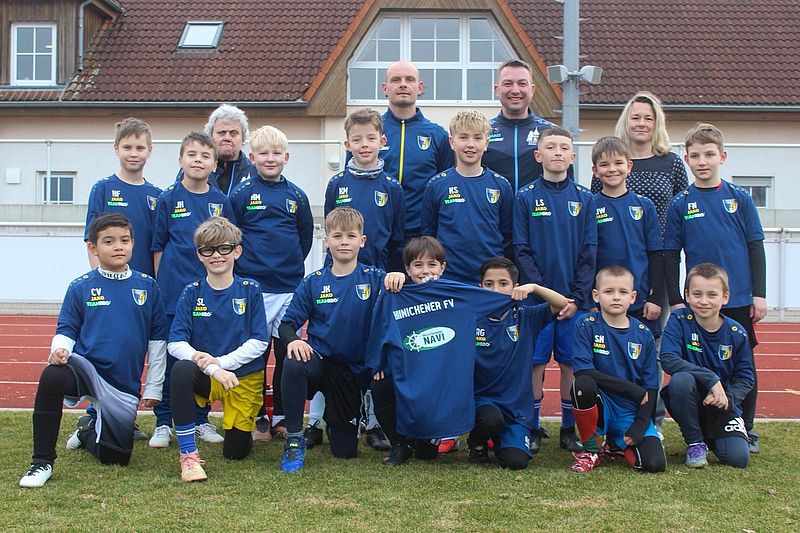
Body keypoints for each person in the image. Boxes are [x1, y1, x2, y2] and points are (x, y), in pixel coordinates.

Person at [19, 213, 168, 488]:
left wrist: (154, 388)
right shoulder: (81, 286)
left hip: (121, 384)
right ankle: (42, 462)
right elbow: (66, 328)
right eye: (109, 241)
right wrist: (60, 349)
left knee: (115, 457)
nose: (118, 246)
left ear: (133, 244)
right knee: (52, 375)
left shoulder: (148, 286)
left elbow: (158, 341)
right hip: (86, 370)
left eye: (124, 240)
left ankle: (86, 430)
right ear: (93, 247)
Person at [277, 207, 405, 473]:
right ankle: (294, 439)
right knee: (294, 361)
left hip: (355, 370)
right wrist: (293, 341)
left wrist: (400, 276)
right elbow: (287, 325)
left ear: (362, 241)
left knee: (345, 451)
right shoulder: (313, 283)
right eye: (337, 236)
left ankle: (353, 420)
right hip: (322, 363)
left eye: (350, 236)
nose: (344, 242)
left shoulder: (376, 278)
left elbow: (404, 301)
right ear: (327, 241)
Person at [664, 123, 766, 452]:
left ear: (722, 156)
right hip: (699, 300)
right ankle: (704, 423)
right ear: (687, 160)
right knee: (700, 361)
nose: (702, 161)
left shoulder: (739, 198)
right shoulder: (681, 203)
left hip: (736, 297)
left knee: (743, 362)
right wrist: (676, 298)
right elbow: (670, 254)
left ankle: (746, 425)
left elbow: (755, 246)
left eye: (709, 154)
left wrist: (759, 294)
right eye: (695, 156)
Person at [368, 237, 513, 466]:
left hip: (444, 377)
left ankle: (436, 439)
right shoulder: (396, 295)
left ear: (443, 267)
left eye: (432, 264)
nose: (425, 270)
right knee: (380, 386)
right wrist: (378, 362)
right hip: (413, 373)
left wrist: (524, 291)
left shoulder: (458, 294)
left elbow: (500, 299)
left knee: (427, 452)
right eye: (418, 265)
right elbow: (379, 327)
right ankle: (400, 444)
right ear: (407, 269)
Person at [322, 109, 405, 451]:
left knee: (374, 347)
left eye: (371, 138)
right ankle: (327, 417)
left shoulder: (392, 187)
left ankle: (374, 421)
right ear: (347, 144)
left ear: (382, 141)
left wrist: (395, 275)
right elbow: (330, 230)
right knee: (337, 343)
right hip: (341, 278)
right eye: (357, 139)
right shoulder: (337, 184)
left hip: (379, 280)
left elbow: (397, 239)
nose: (364, 144)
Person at [512, 126, 597, 453]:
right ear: (539, 155)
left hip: (575, 303)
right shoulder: (524, 196)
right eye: (550, 147)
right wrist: (544, 295)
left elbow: (589, 251)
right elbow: (521, 249)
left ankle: (567, 428)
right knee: (535, 364)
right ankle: (532, 427)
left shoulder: (585, 198)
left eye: (564, 147)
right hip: (536, 303)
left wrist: (576, 297)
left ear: (572, 156)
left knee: (569, 365)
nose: (557, 152)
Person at [228, 125, 314, 441]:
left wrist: (288, 266)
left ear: (286, 157)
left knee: (286, 353)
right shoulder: (241, 194)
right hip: (254, 288)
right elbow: (232, 236)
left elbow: (304, 237)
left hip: (289, 287)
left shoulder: (297, 196)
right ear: (252, 158)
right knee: (255, 354)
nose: (270, 158)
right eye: (263, 153)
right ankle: (256, 415)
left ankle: (281, 414)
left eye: (276, 153)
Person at [149, 132, 234, 448]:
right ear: (180, 160)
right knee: (171, 361)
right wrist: (161, 287)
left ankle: (200, 419)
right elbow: (159, 246)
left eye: (205, 156)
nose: (198, 160)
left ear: (214, 164)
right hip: (172, 294)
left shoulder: (221, 202)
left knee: (203, 357)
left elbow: (228, 247)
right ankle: (163, 422)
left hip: (208, 295)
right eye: (192, 154)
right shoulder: (168, 198)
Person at [167, 217, 269, 481]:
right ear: (199, 255)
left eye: (224, 248)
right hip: (208, 374)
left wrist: (221, 363)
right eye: (208, 250)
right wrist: (213, 369)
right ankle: (188, 455)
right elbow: (175, 343)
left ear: (237, 251)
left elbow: (260, 341)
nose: (216, 255)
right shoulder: (191, 292)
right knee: (181, 370)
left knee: (235, 452)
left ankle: (243, 425)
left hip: (241, 377)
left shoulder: (250, 290)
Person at [83, 117, 162, 440]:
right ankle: (92, 417)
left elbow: (158, 245)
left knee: (133, 354)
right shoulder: (102, 189)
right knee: (104, 352)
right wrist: (98, 279)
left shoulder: (156, 195)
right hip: (108, 286)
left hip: (140, 290)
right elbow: (91, 239)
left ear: (150, 151)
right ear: (116, 149)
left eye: (139, 147)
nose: (133, 153)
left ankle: (125, 418)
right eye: (127, 147)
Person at [469, 257, 568, 469]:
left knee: (516, 462)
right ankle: (477, 442)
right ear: (480, 287)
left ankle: (502, 438)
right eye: (489, 284)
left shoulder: (525, 317)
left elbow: (561, 303)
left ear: (515, 287)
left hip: (515, 407)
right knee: (490, 419)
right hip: (482, 401)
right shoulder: (470, 319)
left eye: (503, 283)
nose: (496, 289)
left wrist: (534, 287)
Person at [570, 265, 666, 474]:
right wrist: (632, 389)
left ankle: (615, 443)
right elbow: (583, 372)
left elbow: (650, 386)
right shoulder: (585, 325)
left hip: (630, 410)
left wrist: (640, 424)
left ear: (632, 297)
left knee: (654, 464)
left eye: (622, 292)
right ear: (596, 295)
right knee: (582, 385)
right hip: (601, 403)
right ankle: (591, 449)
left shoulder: (644, 334)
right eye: (608, 291)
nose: (616, 297)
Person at [661, 263, 754, 468]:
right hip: (689, 397)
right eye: (697, 294)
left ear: (725, 297)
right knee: (681, 380)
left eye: (712, 295)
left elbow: (746, 377)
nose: (704, 301)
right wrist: (710, 378)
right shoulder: (679, 320)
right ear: (687, 295)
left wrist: (727, 399)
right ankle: (695, 442)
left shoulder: (737, 333)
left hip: (722, 403)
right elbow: (668, 358)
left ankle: (713, 437)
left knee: (738, 459)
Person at [422, 110, 513, 285]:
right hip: (449, 278)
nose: (470, 144)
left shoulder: (501, 185)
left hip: (489, 279)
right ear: (452, 142)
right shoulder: (436, 185)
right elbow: (429, 234)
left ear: (486, 143)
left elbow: (507, 236)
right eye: (463, 137)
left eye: (477, 138)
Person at [592, 136, 664, 336]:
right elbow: (585, 256)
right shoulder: (590, 206)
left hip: (639, 300)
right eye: (604, 165)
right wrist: (589, 298)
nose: (612, 169)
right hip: (603, 301)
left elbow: (656, 254)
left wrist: (655, 297)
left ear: (629, 166)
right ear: (595, 171)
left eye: (618, 163)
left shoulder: (644, 206)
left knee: (642, 350)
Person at [379, 61, 454, 244]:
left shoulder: (437, 136)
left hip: (421, 238)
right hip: (378, 233)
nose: (403, 84)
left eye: (409, 79)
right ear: (385, 88)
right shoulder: (370, 132)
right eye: (396, 80)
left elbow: (447, 188)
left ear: (419, 87)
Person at [482, 59, 571, 191]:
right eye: (508, 84)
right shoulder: (481, 133)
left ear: (532, 89)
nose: (515, 90)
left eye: (522, 84)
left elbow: (569, 188)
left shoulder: (553, 134)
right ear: (496, 89)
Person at [175, 104, 255, 195]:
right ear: (210, 136)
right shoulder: (194, 169)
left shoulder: (253, 171)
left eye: (233, 133)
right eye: (221, 132)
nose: (227, 138)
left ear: (243, 138)